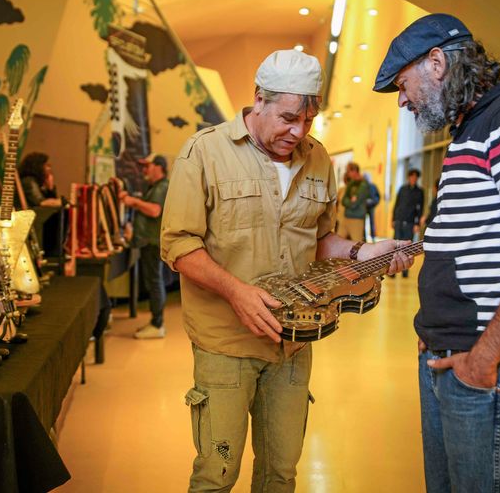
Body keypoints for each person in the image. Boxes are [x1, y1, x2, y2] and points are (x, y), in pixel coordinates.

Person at [161, 49, 413, 492]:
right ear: (259, 99)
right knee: (216, 476)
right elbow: (178, 245)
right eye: (287, 118)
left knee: (281, 474)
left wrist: (363, 251)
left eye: (307, 121)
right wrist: (237, 292)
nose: (297, 132)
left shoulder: (317, 159)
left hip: (294, 345)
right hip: (226, 344)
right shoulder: (205, 152)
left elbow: (318, 239)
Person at [374, 13, 500, 492]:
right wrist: (409, 252)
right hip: (449, 354)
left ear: (437, 63)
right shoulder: (471, 129)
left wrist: (482, 359)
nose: (402, 102)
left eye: (403, 85)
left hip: (486, 365)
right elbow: (480, 232)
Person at [119, 154, 170, 339]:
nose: (144, 170)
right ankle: (156, 322)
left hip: (153, 242)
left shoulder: (162, 187)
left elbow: (154, 210)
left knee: (155, 282)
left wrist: (133, 202)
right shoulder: (155, 187)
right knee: (154, 281)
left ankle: (157, 324)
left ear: (159, 167)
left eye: (147, 166)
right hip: (149, 241)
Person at [18, 152, 63, 255]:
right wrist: (62, 201)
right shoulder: (28, 181)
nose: (49, 168)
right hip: (28, 220)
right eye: (46, 165)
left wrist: (50, 188)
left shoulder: (36, 181)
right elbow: (41, 202)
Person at [391, 168, 424, 277]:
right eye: (412, 176)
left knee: (407, 248)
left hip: (410, 223)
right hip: (399, 221)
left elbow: (420, 209)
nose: (413, 179)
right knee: (395, 247)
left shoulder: (419, 192)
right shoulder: (402, 189)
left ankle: (405, 271)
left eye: (416, 177)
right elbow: (397, 205)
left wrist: (417, 224)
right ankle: (393, 271)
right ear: (409, 177)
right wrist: (393, 219)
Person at [340, 162, 369, 241]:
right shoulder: (351, 183)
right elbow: (343, 200)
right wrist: (350, 201)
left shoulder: (363, 184)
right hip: (346, 217)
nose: (347, 174)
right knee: (339, 241)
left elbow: (355, 204)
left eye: (348, 171)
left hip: (357, 219)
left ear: (355, 171)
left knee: (356, 244)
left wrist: (348, 202)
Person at [364, 172, 381, 240]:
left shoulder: (373, 186)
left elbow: (378, 197)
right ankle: (363, 237)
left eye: (367, 178)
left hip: (371, 207)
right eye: (365, 178)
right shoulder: (362, 187)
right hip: (363, 207)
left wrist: (373, 202)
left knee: (372, 222)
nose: (366, 179)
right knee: (363, 223)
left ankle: (373, 237)